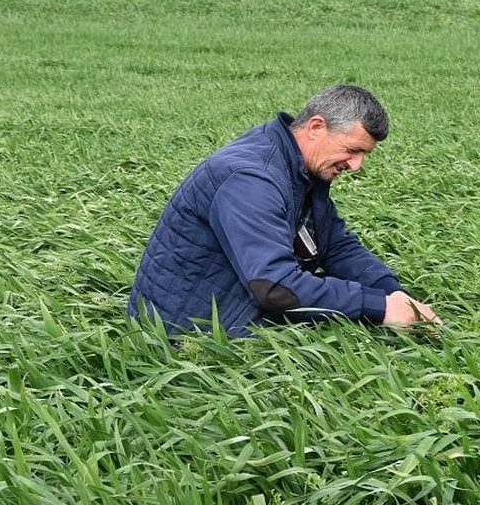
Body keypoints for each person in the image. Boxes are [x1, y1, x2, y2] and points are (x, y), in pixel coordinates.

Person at [129, 84, 441, 338]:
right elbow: (274, 287)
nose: (357, 165)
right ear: (317, 126)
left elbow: (334, 244)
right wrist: (379, 307)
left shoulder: (299, 167)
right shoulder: (251, 179)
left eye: (364, 154)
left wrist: (394, 294)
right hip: (186, 334)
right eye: (352, 150)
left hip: (233, 309)